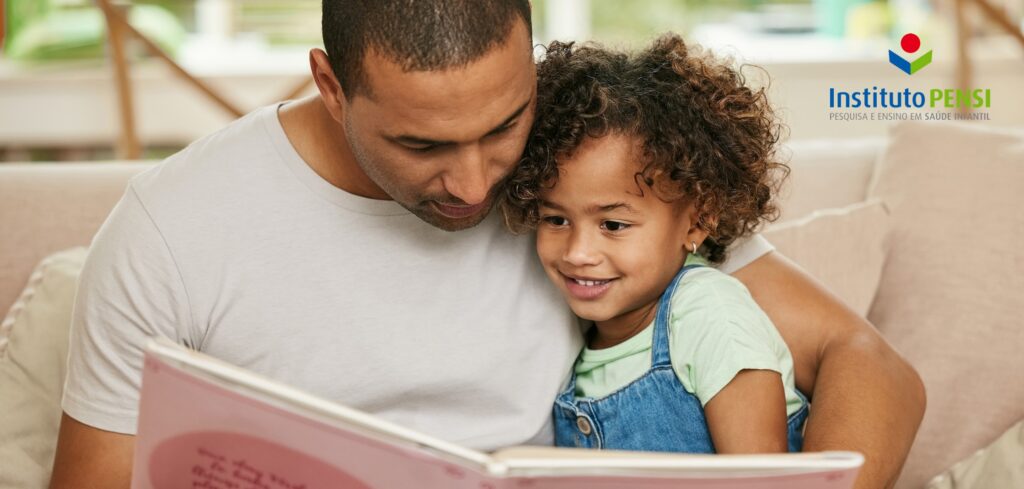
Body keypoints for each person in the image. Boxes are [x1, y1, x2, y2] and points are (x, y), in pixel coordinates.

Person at [49, 2, 924, 488]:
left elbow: (867, 362)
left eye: (504, 126)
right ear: (329, 85)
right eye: (422, 146)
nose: (476, 186)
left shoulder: (583, 166)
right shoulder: (174, 227)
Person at [501, 35, 805, 453]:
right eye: (555, 219)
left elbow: (761, 478)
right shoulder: (577, 346)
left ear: (697, 221)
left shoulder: (711, 317)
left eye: (612, 224)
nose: (577, 253)